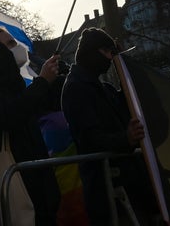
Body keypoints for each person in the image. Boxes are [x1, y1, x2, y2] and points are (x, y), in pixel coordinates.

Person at [60, 27, 154, 226]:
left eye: (112, 53)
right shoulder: (76, 88)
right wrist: (125, 139)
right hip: (108, 190)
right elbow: (89, 138)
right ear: (91, 52)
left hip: (126, 186)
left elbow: (128, 101)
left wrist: (123, 65)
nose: (110, 58)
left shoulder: (102, 88)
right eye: (106, 52)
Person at [0, 28, 61, 224]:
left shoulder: (18, 88)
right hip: (17, 193)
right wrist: (41, 83)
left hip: (41, 195)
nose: (18, 47)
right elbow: (8, 117)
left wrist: (53, 79)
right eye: (10, 44)